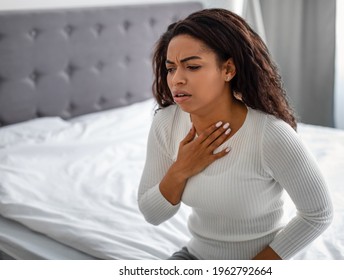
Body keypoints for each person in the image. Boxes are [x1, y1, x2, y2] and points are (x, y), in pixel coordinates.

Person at [138, 8, 333, 260]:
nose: (177, 79)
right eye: (171, 68)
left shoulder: (271, 135)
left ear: (228, 70)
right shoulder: (166, 123)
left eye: (193, 67)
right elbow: (152, 214)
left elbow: (318, 214)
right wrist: (182, 168)